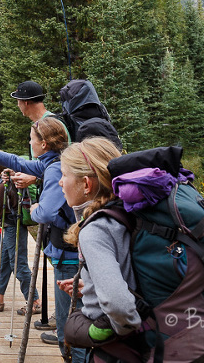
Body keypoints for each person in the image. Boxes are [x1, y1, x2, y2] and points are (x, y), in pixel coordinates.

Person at [0, 116, 78, 360]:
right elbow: (16, 160)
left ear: (44, 143)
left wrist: (34, 209)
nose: (29, 143)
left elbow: (46, 212)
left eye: (32, 139)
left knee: (67, 326)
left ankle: (71, 354)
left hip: (68, 253)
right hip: (64, 248)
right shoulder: (52, 161)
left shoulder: (55, 168)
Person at [57, 138, 141, 359]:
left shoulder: (94, 231)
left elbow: (119, 305)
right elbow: (129, 272)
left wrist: (121, 332)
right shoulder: (124, 213)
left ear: (86, 184)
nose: (60, 182)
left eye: (64, 175)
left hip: (119, 351)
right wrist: (93, 287)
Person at [0, 160, 40, 313]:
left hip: (13, 227)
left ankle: (34, 301)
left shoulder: (4, 183)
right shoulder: (10, 179)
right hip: (11, 227)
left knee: (18, 264)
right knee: (2, 263)